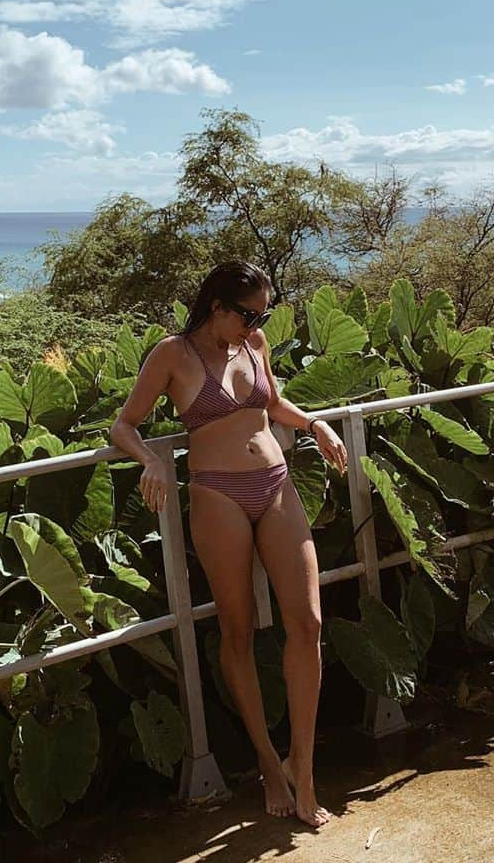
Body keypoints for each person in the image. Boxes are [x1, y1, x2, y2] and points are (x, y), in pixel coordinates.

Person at [110, 261, 349, 828]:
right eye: (248, 314)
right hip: (217, 494)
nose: (256, 323)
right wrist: (150, 462)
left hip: (276, 482)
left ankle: (304, 768)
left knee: (308, 623)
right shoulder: (172, 355)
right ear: (216, 306)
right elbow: (125, 426)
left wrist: (315, 424)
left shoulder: (255, 343)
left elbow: (271, 408)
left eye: (261, 314)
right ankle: (269, 762)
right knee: (238, 631)